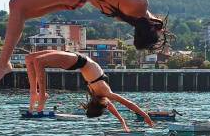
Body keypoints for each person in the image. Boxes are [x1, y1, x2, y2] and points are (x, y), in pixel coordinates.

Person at [0, 0, 169, 89]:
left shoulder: (139, 5)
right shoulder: (135, 15)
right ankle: (4, 63)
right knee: (20, 13)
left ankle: (3, 64)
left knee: (16, 5)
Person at [24, 50, 154, 131]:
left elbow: (126, 105)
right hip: (76, 56)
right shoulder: (104, 95)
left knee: (38, 61)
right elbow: (126, 105)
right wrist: (128, 121)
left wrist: (142, 117)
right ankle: (34, 93)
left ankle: (41, 95)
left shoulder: (103, 94)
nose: (107, 105)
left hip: (78, 61)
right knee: (29, 58)